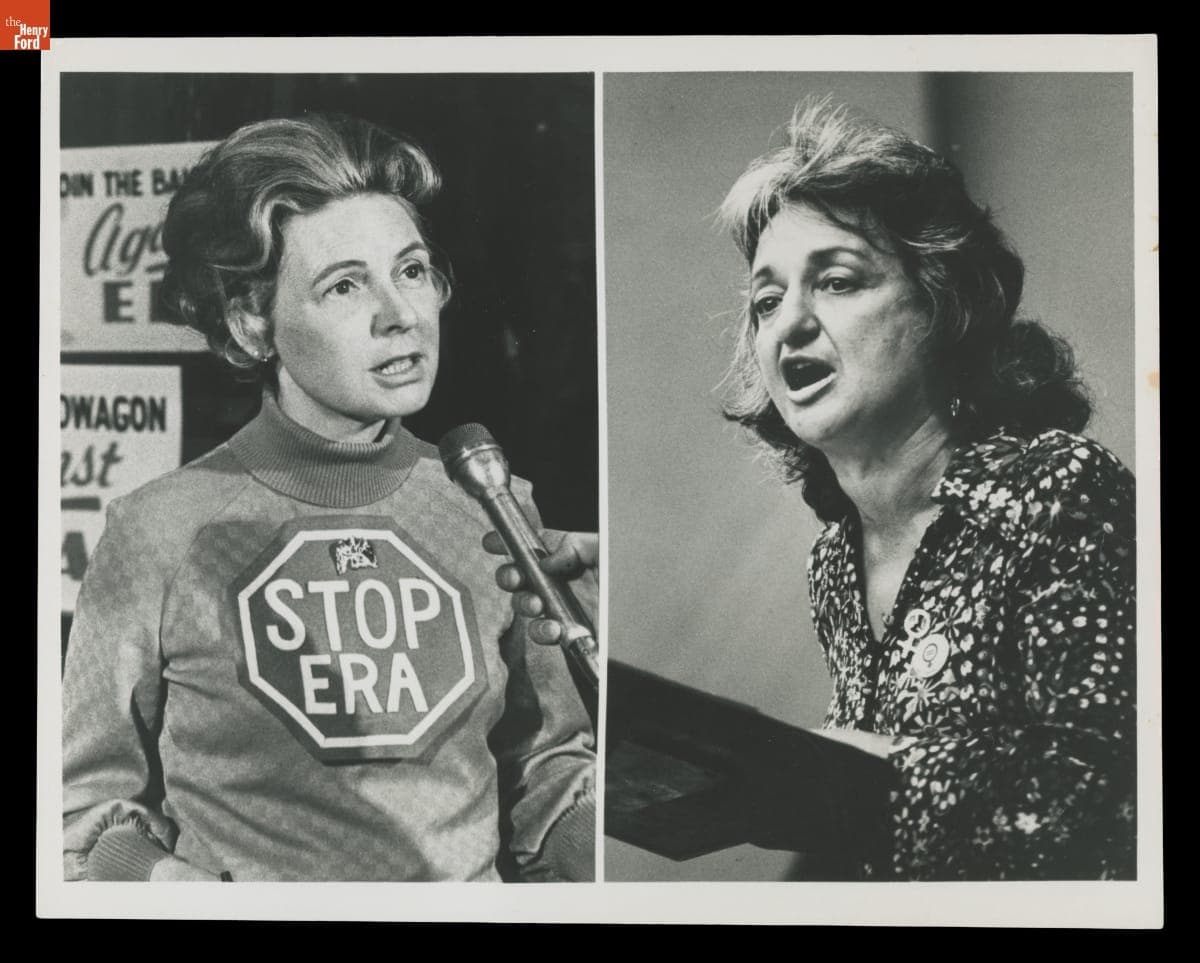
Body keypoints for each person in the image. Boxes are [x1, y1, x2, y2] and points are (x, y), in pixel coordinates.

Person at [514, 98, 1137, 881]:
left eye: (836, 282)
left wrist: (850, 774)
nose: (790, 325)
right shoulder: (836, 559)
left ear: (941, 302)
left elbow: (1104, 793)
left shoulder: (1058, 489)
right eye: (767, 301)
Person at [62, 114, 596, 883]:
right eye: (345, 285)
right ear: (252, 323)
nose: (400, 313)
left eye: (411, 270)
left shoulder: (496, 502)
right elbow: (78, 814)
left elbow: (547, 775)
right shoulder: (156, 529)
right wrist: (170, 885)